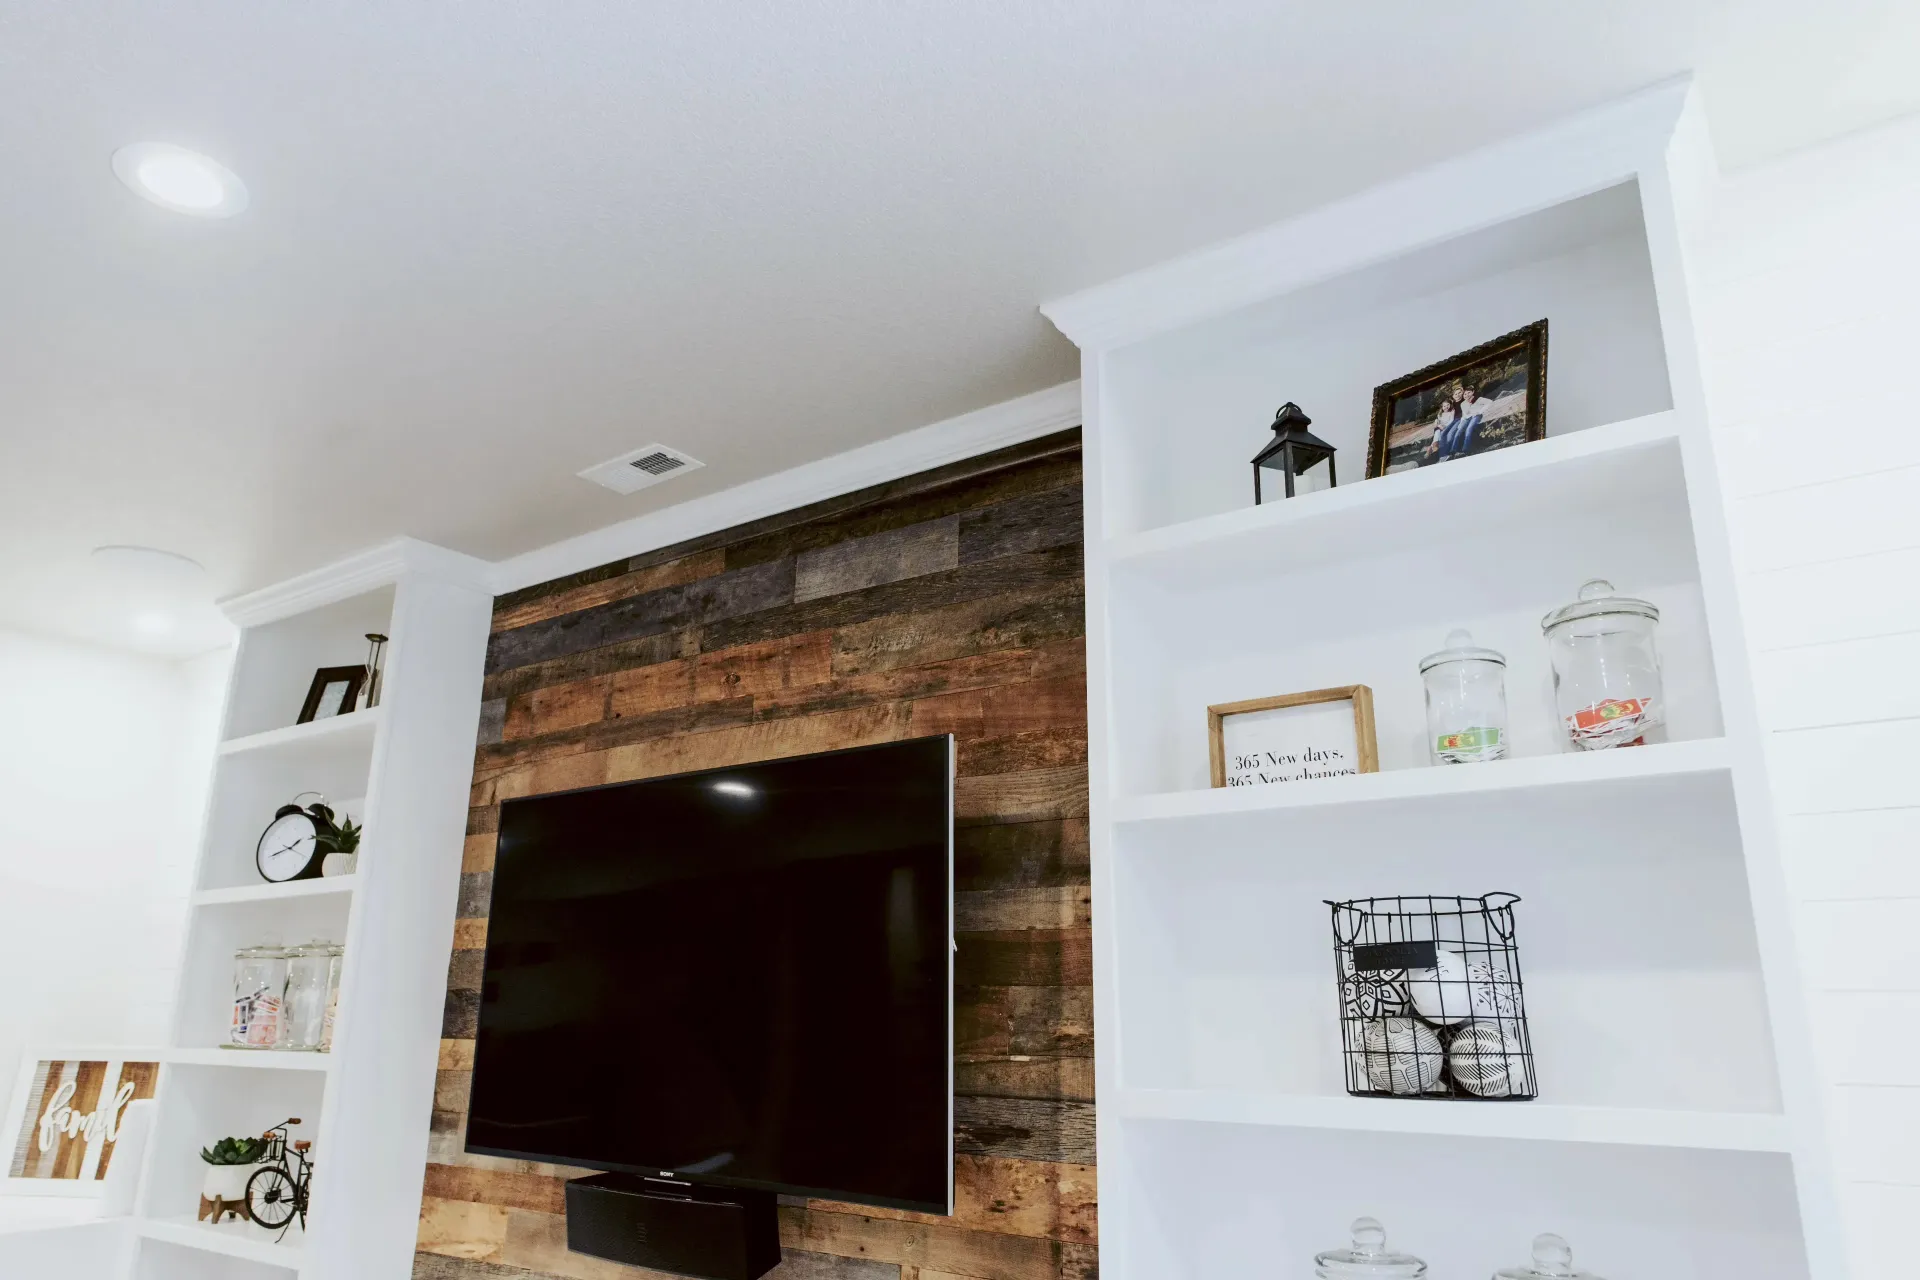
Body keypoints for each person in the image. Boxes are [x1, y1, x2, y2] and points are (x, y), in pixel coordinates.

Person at [1453, 380, 1498, 458]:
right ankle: (1453, 450)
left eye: (1468, 393)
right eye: (1465, 394)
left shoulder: (1478, 399)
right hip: (1467, 418)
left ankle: (1465, 449)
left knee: (1469, 429)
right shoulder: (1463, 404)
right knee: (1459, 430)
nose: (1466, 395)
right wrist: (1461, 423)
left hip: (1476, 416)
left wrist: (1480, 411)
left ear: (1473, 392)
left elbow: (1490, 402)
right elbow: (1464, 415)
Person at [1425, 389, 1459, 462]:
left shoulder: (1451, 412)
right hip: (1439, 428)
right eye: (1444, 406)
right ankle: (1436, 449)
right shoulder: (1440, 414)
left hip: (1446, 427)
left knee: (1438, 435)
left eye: (1448, 405)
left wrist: (1445, 426)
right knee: (1437, 432)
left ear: (1450, 405)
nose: (1446, 407)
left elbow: (1451, 421)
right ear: (1442, 407)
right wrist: (1439, 425)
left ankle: (1431, 447)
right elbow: (1438, 422)